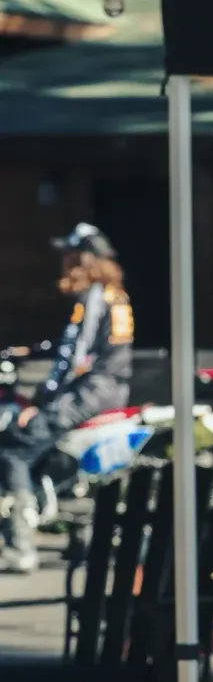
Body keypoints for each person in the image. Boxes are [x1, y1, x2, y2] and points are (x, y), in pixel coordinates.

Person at [1, 224, 134, 574]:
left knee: (15, 446)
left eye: (69, 255)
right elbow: (72, 346)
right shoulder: (113, 294)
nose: (63, 262)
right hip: (109, 388)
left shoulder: (92, 296)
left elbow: (73, 360)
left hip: (91, 392)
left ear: (84, 259)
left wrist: (38, 400)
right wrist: (30, 350)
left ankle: (20, 546)